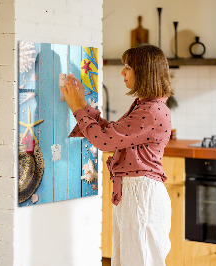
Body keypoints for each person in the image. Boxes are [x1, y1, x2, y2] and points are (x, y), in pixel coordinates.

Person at [60, 44, 173, 266]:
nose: (122, 72)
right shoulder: (146, 106)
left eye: (128, 67)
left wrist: (76, 108)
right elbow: (112, 133)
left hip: (141, 195)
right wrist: (82, 104)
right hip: (135, 193)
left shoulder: (150, 111)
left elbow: (104, 141)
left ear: (144, 72)